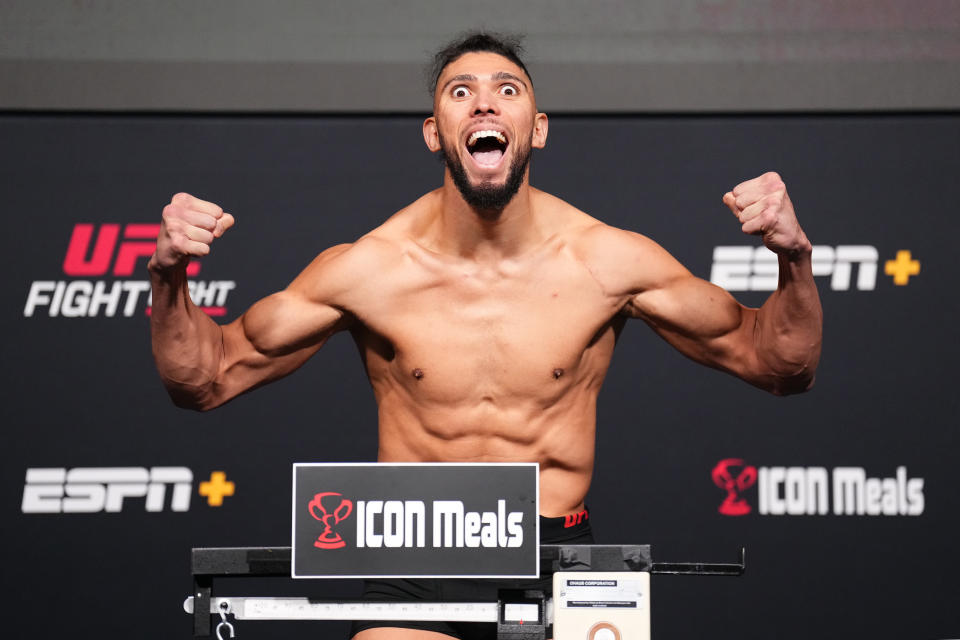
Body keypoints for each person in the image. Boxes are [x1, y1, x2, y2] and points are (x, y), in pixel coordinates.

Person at [148, 32, 822, 640]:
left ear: (540, 128)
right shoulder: (368, 270)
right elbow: (207, 379)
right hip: (415, 555)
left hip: (560, 557)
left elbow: (777, 364)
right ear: (434, 134)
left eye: (508, 90)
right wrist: (168, 276)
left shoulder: (608, 262)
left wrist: (795, 259)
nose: (484, 106)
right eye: (460, 92)